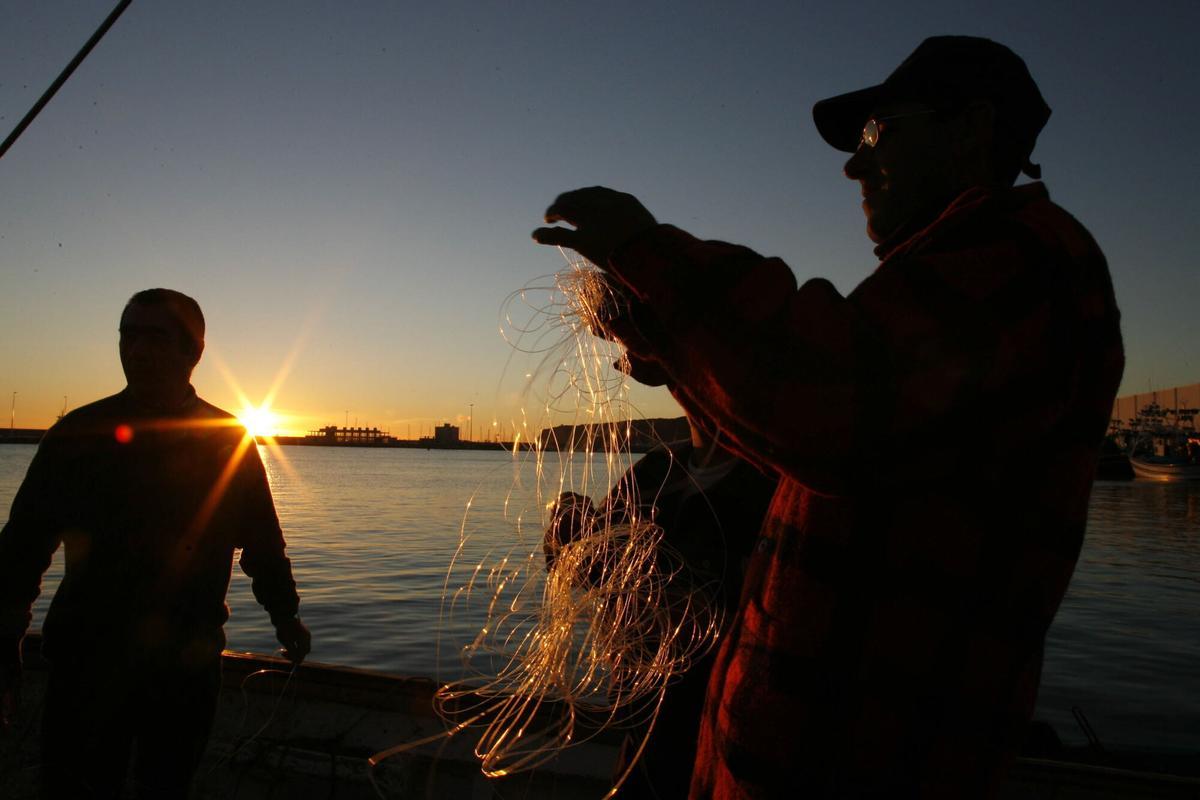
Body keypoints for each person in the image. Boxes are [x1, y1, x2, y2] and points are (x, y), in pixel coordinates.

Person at [533, 36, 1124, 799]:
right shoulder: (931, 291)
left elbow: (827, 404)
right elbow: (777, 424)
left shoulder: (1028, 262)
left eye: (878, 133)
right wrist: (648, 328)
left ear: (971, 128)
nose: (852, 164)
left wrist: (652, 257)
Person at [0, 288, 311, 798]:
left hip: (183, 669)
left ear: (193, 352)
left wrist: (285, 617)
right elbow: (23, 547)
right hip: (86, 664)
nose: (137, 350)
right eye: (128, 335)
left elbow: (261, 542)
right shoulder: (78, 434)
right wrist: (5, 636)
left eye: (155, 337)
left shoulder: (227, 441)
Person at [544, 351, 777, 799]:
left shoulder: (770, 488)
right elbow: (583, 573)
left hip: (719, 741)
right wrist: (565, 543)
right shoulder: (654, 470)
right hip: (641, 730)